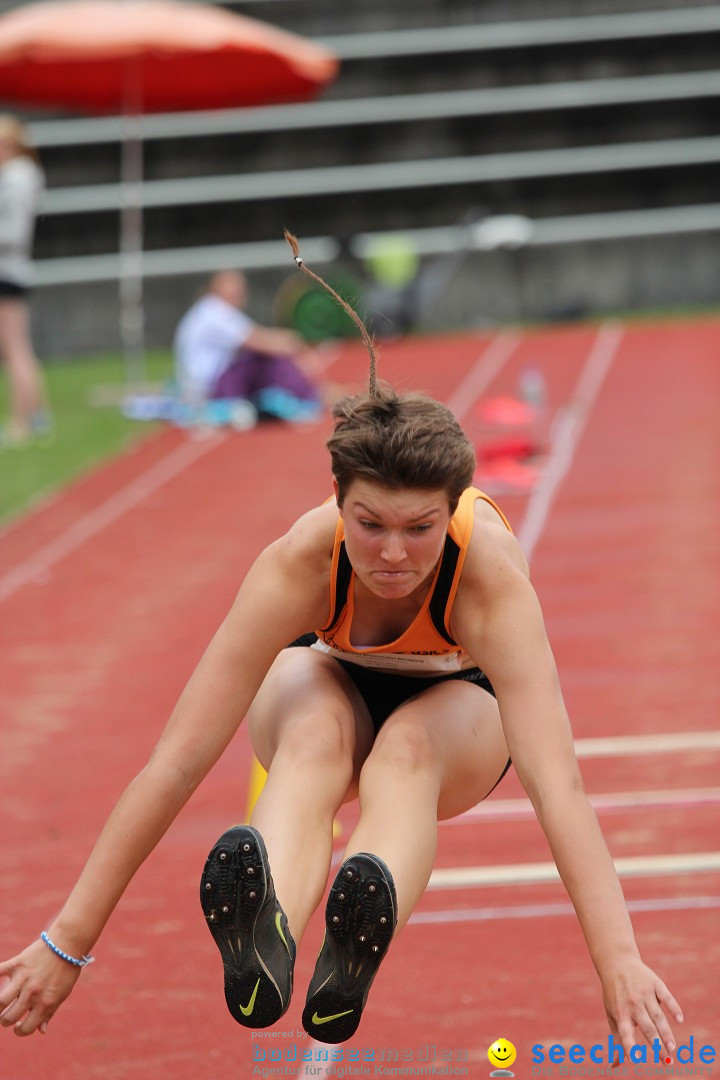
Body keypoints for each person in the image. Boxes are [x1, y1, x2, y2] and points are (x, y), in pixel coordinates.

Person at [0, 235, 682, 1051]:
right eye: (370, 525)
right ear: (337, 500)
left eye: (420, 529)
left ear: (456, 509)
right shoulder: (298, 562)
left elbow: (557, 784)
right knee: (315, 735)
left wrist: (618, 959)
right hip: (324, 684)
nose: (393, 553)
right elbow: (177, 760)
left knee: (408, 750)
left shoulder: (490, 578)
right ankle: (269, 934)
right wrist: (66, 940)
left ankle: (365, 913)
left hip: (460, 717)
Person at [173, 269, 325, 421]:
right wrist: (298, 347)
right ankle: (309, 396)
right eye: (235, 290)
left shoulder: (208, 310)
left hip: (203, 385)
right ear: (217, 289)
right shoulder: (215, 311)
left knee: (264, 358)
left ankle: (308, 394)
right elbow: (260, 341)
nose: (241, 295)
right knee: (267, 360)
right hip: (209, 387)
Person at [0, 114, 50, 446]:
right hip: (11, 268)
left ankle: (22, 421)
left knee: (15, 348)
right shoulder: (19, 175)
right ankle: (38, 414)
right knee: (18, 348)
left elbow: (13, 232)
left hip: (7, 269)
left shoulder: (17, 177)